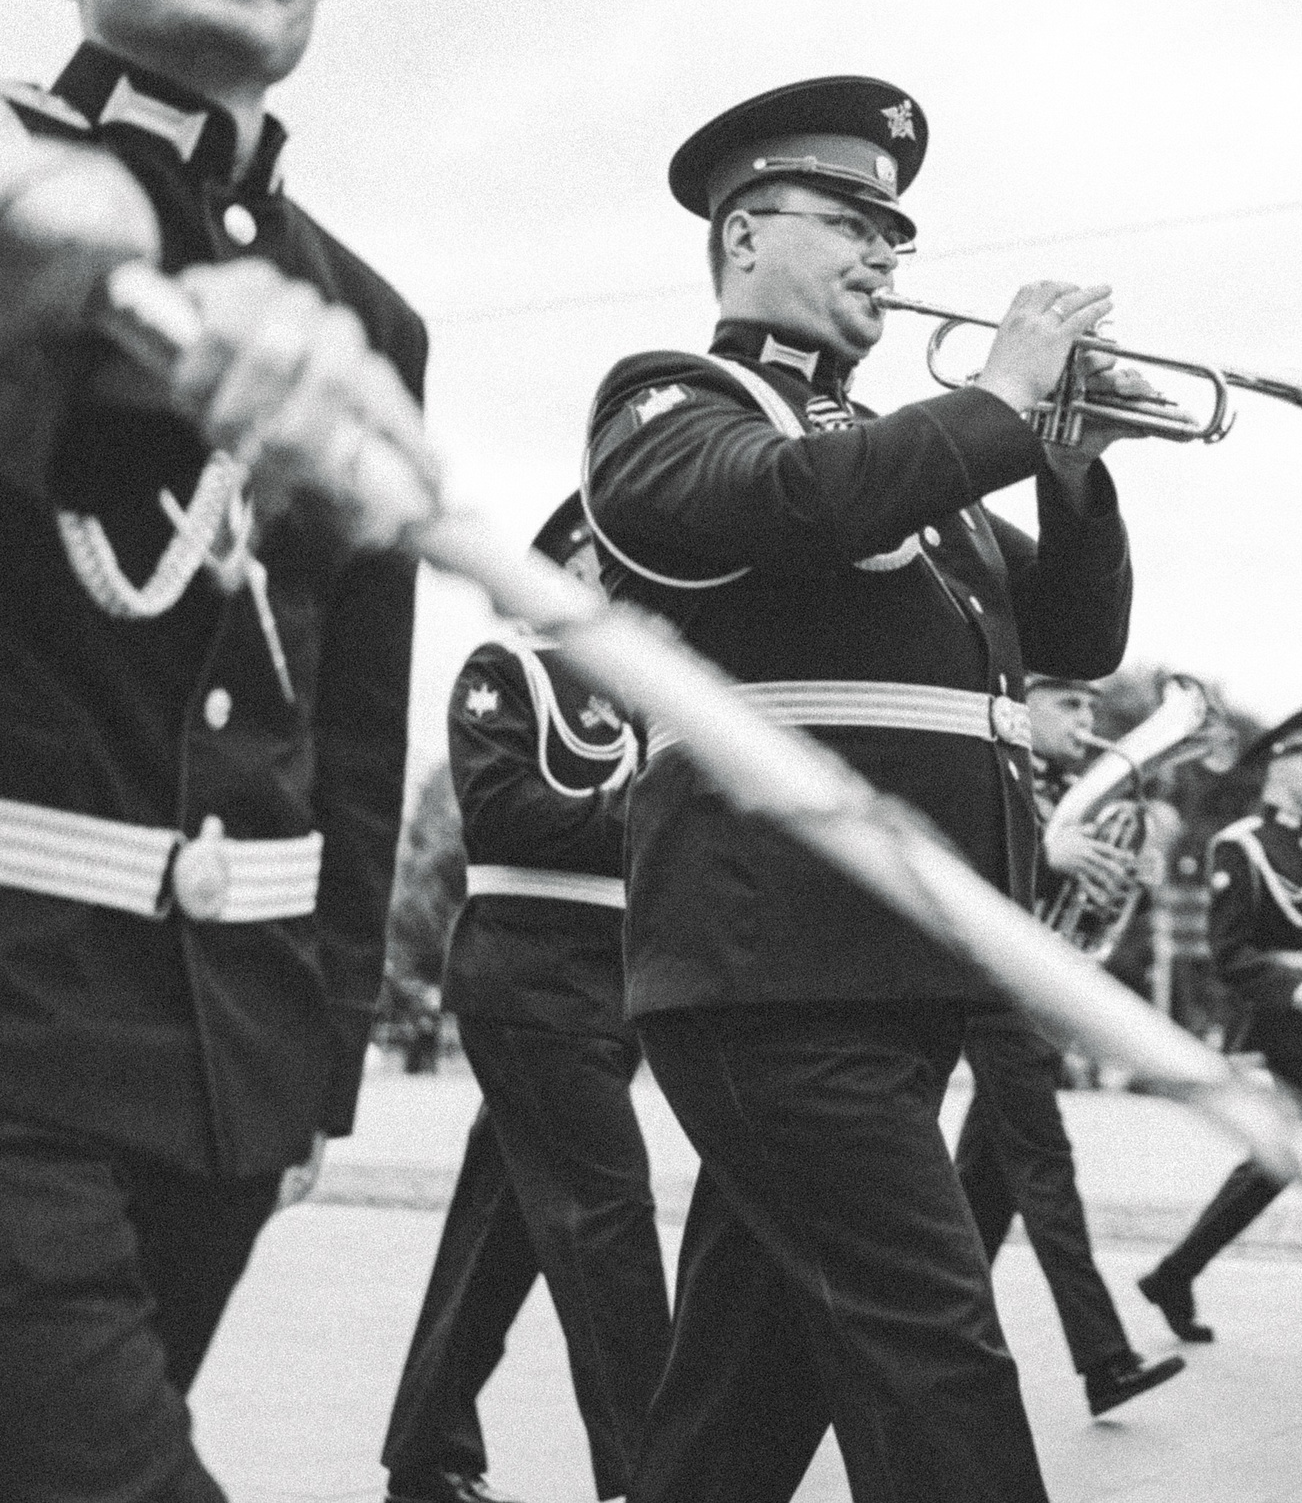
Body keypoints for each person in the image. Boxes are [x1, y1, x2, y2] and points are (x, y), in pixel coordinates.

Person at [582, 75, 1143, 1503]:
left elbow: (1076, 639)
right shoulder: (672, 402)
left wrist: (1071, 469)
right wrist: (996, 399)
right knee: (938, 1358)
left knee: (738, 1404)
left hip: (890, 973)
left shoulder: (908, 464)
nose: (885, 255)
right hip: (777, 975)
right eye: (849, 222)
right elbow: (794, 501)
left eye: (893, 232)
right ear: (743, 234)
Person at [0, 0, 430, 1498]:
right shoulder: (22, 199)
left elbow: (356, 720)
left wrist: (324, 1048)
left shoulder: (362, 318)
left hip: (224, 1059)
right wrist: (99, 319)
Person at [377, 501, 669, 1503]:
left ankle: (427, 1453)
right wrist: (651, 813)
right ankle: (653, 1476)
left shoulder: (647, 689)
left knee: (497, 1226)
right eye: (611, 555)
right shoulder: (507, 670)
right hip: (530, 977)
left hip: (609, 982)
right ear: (570, 562)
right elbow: (503, 811)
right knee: (610, 1218)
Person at [951, 674, 1185, 1417]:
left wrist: (1132, 875)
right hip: (999, 997)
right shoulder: (995, 776)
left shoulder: (1077, 795)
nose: (1086, 720)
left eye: (1091, 706)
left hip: (1040, 1004)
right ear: (1026, 702)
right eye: (1070, 704)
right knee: (1046, 1173)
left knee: (982, 1192)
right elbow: (958, 877)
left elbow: (1092, 917)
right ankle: (1105, 1359)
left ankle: (926, 1336)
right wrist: (1043, 855)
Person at [1136, 707, 1302, 1340]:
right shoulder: (1242, 846)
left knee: (1281, 1159)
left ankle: (1174, 1274)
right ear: (1280, 768)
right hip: (1278, 1022)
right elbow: (1228, 953)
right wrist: (1292, 986)